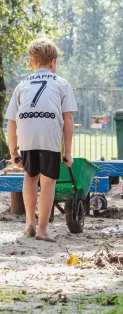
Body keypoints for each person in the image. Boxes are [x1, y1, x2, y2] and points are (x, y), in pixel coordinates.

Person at [6, 37, 78, 242]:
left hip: (27, 135)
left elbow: (11, 121)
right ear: (53, 62)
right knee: (48, 182)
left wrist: (13, 152)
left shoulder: (21, 85)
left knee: (29, 177)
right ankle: (43, 230)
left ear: (31, 63)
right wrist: (68, 153)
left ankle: (29, 223)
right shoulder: (62, 83)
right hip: (48, 134)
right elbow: (68, 120)